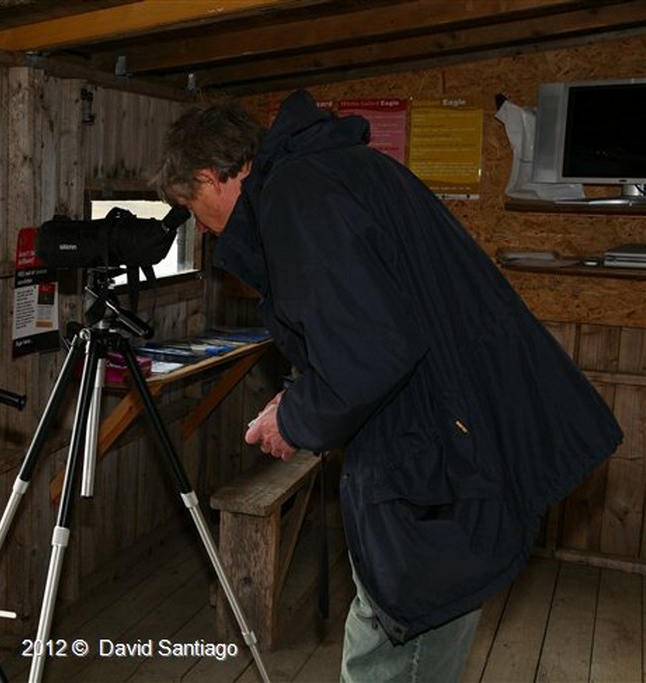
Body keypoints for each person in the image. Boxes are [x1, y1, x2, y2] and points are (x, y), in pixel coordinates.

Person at [151, 91, 623, 682]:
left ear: (211, 176)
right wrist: (300, 397)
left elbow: (371, 349)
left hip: (438, 454)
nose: (201, 226)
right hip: (449, 432)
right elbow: (367, 327)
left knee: (394, 637)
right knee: (393, 621)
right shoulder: (332, 172)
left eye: (193, 207)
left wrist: (292, 419)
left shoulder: (299, 197)